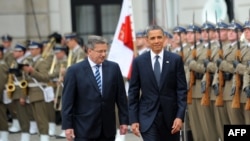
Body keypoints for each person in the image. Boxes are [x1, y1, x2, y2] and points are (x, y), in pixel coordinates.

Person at [61, 35, 129, 141]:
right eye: (100, 51)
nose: (103, 54)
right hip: (83, 128)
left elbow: (121, 98)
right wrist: (68, 126)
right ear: (89, 51)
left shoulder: (114, 68)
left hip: (107, 129)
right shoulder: (74, 71)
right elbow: (67, 101)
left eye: (105, 51)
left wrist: (124, 121)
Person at [128, 25, 187, 141]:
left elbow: (181, 91)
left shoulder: (175, 60)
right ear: (147, 40)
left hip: (171, 119)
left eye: (159, 37)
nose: (156, 41)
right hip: (147, 117)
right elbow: (133, 92)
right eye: (153, 38)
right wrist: (133, 119)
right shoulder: (139, 62)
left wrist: (180, 117)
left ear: (164, 38)